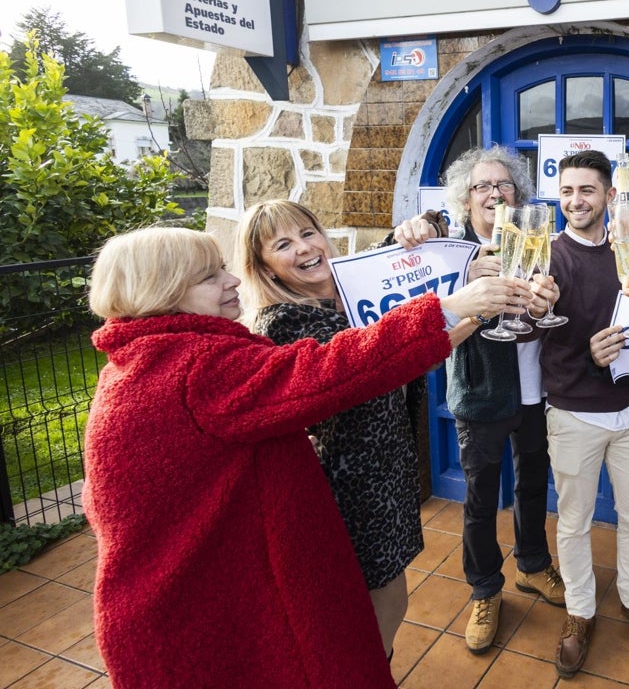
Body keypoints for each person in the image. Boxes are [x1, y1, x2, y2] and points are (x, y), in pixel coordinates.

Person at [83, 226, 517, 687]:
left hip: (203, 593)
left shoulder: (151, 359)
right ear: (162, 293)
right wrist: (448, 308)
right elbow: (327, 369)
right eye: (211, 277)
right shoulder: (197, 367)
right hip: (209, 606)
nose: (232, 282)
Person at [394, 145, 566, 656]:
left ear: (519, 195)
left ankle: (533, 565)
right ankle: (485, 590)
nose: (495, 193)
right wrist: (410, 231)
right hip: (479, 393)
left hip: (537, 391)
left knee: (533, 485)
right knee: (480, 498)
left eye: (504, 185)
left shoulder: (540, 241)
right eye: (482, 187)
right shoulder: (447, 249)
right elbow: (398, 277)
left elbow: (564, 305)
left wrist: (550, 299)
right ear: (465, 200)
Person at [542, 149, 629, 678]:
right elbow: (529, 333)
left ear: (608, 195)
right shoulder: (546, 256)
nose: (576, 201)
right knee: (573, 521)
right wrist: (585, 354)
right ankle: (580, 611)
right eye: (568, 191)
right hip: (574, 412)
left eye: (587, 191)